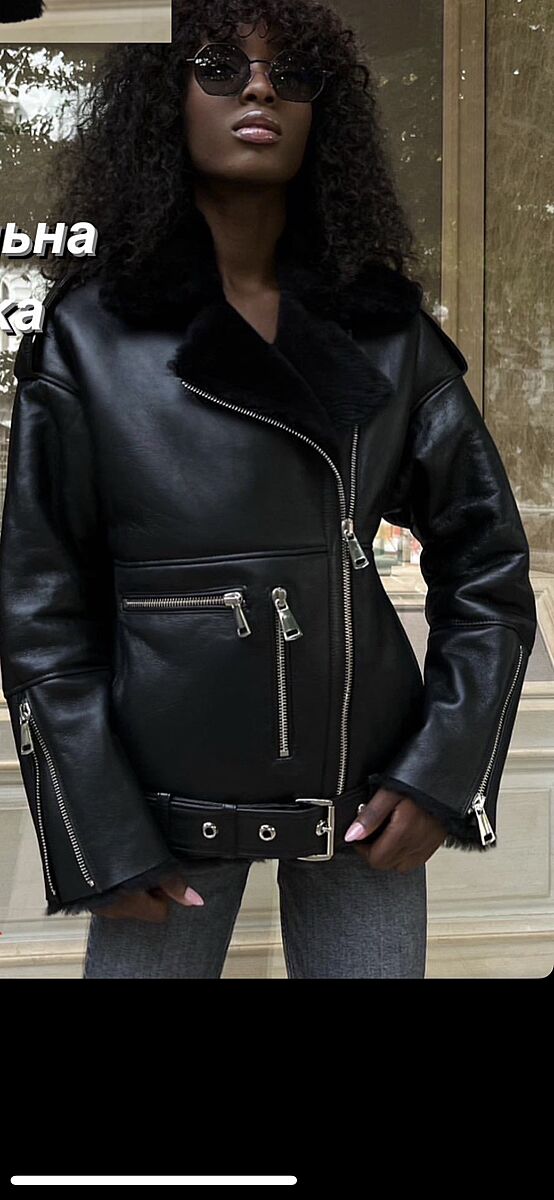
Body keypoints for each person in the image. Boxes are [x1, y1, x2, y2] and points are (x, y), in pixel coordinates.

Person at [0, 1, 537, 979]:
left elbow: (489, 572)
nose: (258, 88)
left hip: (366, 799)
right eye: (219, 65)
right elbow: (42, 611)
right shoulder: (89, 338)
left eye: (293, 73)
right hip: (157, 809)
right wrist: (95, 829)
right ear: (164, 98)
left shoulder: (385, 332)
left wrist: (441, 773)